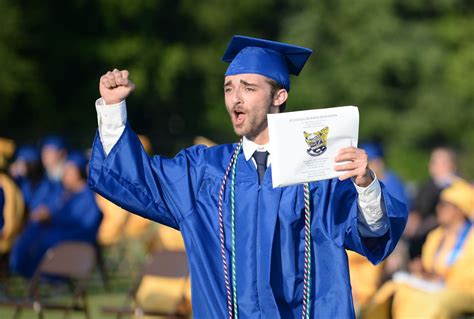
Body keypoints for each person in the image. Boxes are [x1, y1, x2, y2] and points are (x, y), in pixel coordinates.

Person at [88, 35, 407, 318]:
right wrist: (113, 109)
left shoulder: (320, 172)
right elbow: (135, 179)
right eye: (229, 88)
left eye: (248, 88)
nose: (235, 98)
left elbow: (372, 233)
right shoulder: (203, 172)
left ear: (279, 96)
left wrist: (365, 185)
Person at [363, 180, 474, 319]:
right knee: (393, 290)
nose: (439, 208)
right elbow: (430, 267)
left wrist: (441, 278)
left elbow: (468, 278)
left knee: (434, 303)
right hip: (433, 286)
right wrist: (423, 271)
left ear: (460, 209)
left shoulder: (471, 237)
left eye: (445, 205)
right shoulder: (436, 235)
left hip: (461, 291)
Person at [10, 151, 102, 278]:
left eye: (70, 171)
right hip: (56, 234)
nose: (65, 175)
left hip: (74, 241)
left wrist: (52, 218)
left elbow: (87, 225)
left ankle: (48, 278)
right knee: (31, 232)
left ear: (80, 172)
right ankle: (22, 271)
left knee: (46, 241)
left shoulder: (88, 197)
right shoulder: (65, 194)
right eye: (65, 171)